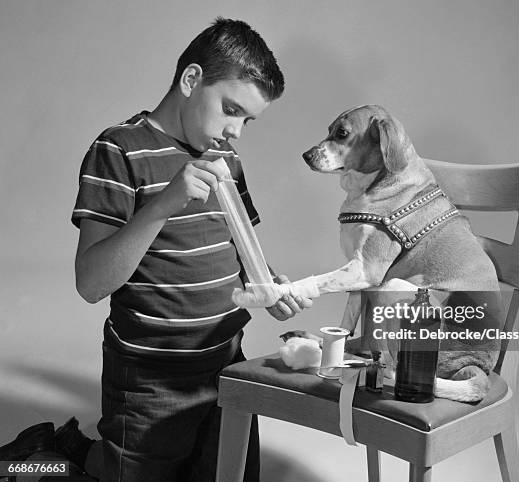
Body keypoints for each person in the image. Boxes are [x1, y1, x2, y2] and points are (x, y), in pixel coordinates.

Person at [18, 17, 307, 482]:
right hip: (152, 379)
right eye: (231, 109)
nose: (237, 132)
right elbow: (91, 284)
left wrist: (269, 286)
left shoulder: (226, 161)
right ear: (192, 79)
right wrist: (164, 204)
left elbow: (242, 248)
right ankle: (48, 454)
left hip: (226, 365)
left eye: (247, 120)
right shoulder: (119, 150)